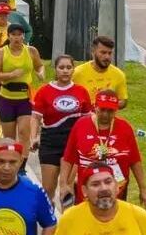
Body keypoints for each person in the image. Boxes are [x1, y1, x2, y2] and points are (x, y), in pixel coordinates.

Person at [59, 89, 146, 208]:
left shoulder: (125, 128)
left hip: (118, 195)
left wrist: (143, 189)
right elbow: (68, 158)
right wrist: (64, 184)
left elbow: (135, 161)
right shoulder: (81, 125)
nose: (105, 115)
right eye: (102, 110)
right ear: (95, 107)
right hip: (87, 197)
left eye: (110, 111)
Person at [31, 54, 92, 202]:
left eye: (69, 67)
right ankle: (49, 222)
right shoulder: (44, 91)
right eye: (61, 67)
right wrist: (33, 138)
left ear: (73, 70)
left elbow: (88, 120)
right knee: (47, 191)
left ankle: (66, 222)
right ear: (55, 69)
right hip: (50, 143)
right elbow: (36, 117)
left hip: (72, 145)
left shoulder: (81, 91)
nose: (65, 71)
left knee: (67, 189)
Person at [0, 139, 57, 235]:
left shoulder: (35, 191)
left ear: (21, 161)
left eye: (12, 162)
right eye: (1, 161)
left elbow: (50, 224)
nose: (6, 167)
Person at [55, 166, 146, 235]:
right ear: (84, 191)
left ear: (117, 187)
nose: (103, 188)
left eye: (108, 182)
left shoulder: (139, 216)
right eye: (95, 184)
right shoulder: (70, 218)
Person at [0, 23, 43, 150]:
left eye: (20, 35)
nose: (17, 38)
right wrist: (11, 75)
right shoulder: (2, 52)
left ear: (24, 36)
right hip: (7, 98)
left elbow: (39, 65)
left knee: (24, 133)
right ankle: (12, 163)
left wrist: (40, 73)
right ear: (8, 36)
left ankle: (22, 166)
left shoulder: (31, 51)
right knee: (9, 138)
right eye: (14, 35)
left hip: (25, 98)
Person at [72, 35, 129, 108]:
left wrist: (107, 106)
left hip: (107, 118)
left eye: (110, 53)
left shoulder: (119, 74)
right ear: (93, 52)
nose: (107, 57)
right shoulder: (77, 73)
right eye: (103, 52)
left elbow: (123, 100)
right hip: (83, 117)